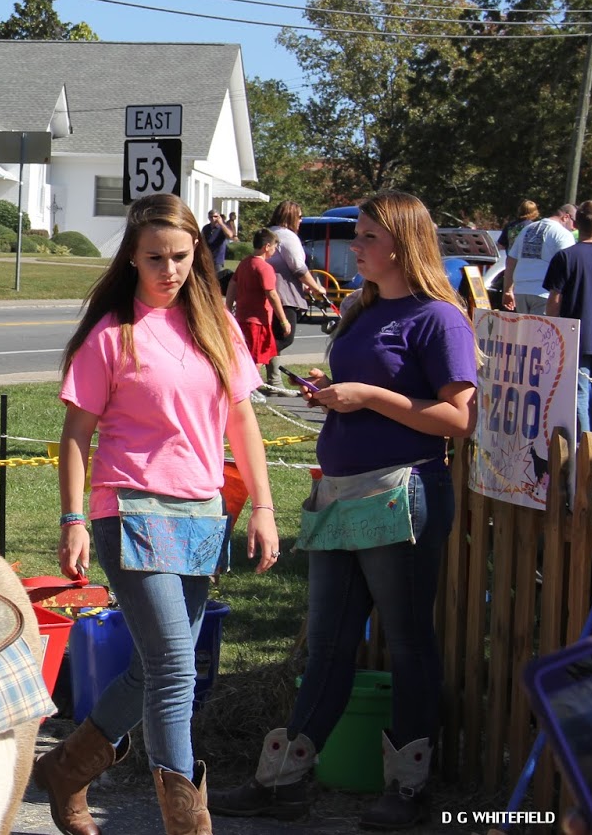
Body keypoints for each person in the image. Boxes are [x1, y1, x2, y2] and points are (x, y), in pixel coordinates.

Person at [211, 191, 477, 831]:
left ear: (403, 245)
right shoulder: (362, 307)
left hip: (402, 491)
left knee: (408, 643)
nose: (353, 247)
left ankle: (408, 790)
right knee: (328, 642)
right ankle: (284, 781)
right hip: (340, 492)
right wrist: (334, 397)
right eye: (357, 235)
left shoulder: (439, 319)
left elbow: (459, 419)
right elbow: (366, 396)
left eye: (365, 237)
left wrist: (368, 395)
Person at [36, 193, 278, 835]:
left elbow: (241, 419)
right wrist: (72, 519)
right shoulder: (111, 333)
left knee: (156, 664)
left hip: (201, 514)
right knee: (174, 666)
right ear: (133, 259)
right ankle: (188, 825)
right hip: (129, 508)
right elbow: (73, 435)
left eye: (180, 255)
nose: (169, 269)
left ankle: (65, 768)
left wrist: (264, 507)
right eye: (154, 258)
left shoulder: (217, 324)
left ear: (197, 250)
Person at [544, 200, 592, 433]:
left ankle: (587, 454)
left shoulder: (565, 257)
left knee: (580, 395)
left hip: (578, 335)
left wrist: (551, 332)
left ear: (575, 224)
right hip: (583, 336)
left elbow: (554, 301)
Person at [263, 200, 327, 390]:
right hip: (283, 294)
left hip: (273, 291)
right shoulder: (287, 236)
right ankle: (253, 365)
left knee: (274, 336)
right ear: (291, 217)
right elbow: (298, 266)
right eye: (299, 216)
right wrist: (316, 287)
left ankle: (273, 380)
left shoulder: (270, 233)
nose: (301, 220)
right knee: (284, 336)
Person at [227, 228, 292, 401]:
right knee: (255, 358)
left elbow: (232, 285)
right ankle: (248, 390)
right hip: (257, 321)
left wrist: (228, 307)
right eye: (274, 247)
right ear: (267, 246)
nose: (274, 251)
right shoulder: (264, 267)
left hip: (242, 318)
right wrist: (284, 320)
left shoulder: (245, 263)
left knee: (247, 355)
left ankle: (250, 387)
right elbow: (272, 294)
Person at [504, 203, 576, 315]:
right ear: (566, 217)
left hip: (521, 290)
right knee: (540, 332)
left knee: (525, 331)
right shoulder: (563, 235)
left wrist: (508, 290)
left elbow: (511, 260)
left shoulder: (527, 229)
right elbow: (567, 265)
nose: (574, 227)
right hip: (544, 293)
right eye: (574, 222)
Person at [201, 209, 235, 278]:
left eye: (215, 216)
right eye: (211, 217)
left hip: (217, 259)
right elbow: (202, 240)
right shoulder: (206, 228)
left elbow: (230, 235)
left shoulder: (222, 228)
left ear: (219, 217)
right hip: (207, 258)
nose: (213, 219)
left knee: (218, 279)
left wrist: (221, 223)